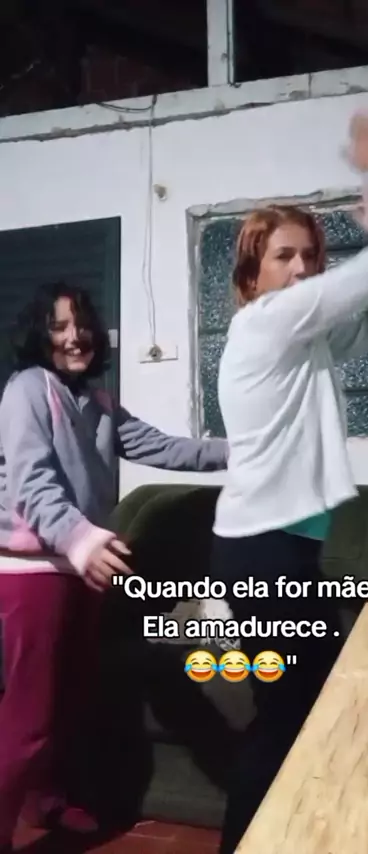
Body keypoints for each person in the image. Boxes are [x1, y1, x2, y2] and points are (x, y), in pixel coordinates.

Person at [206, 112, 368, 853]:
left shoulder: (304, 342)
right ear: (253, 277)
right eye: (284, 256)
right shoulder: (268, 324)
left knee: (308, 709)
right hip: (261, 555)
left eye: (310, 256)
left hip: (287, 551)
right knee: (287, 720)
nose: (302, 270)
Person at [0, 282, 228, 853]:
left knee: (71, 701)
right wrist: (80, 539)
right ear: (39, 335)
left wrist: (245, 451)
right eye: (58, 326)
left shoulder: (99, 403)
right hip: (32, 572)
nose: (74, 336)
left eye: (81, 324)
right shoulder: (26, 390)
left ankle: (46, 801)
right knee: (29, 719)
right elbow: (31, 483)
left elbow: (164, 447)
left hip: (82, 568)